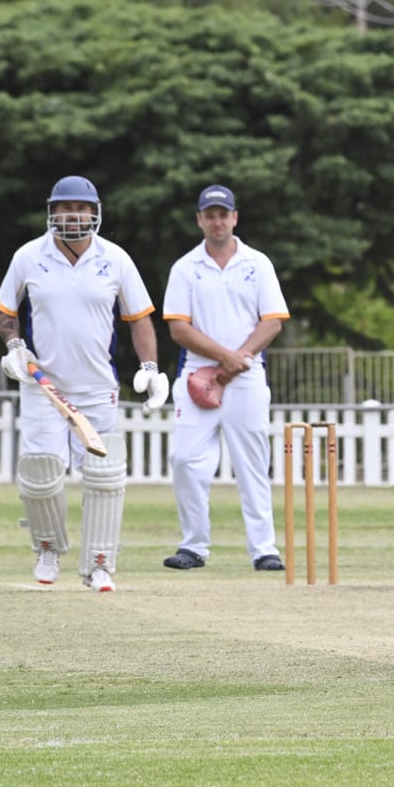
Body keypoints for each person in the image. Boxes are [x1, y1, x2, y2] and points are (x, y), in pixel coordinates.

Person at [0, 175, 169, 592]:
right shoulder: (28, 257)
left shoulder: (117, 259)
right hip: (43, 385)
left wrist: (150, 367)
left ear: (94, 212)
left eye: (81, 207)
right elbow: (4, 310)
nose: (73, 214)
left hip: (96, 388)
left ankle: (100, 564)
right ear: (52, 213)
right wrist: (15, 345)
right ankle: (48, 549)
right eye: (64, 208)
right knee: (39, 475)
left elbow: (139, 316)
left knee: (105, 475)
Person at [161, 184, 291, 573]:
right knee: (185, 460)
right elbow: (178, 329)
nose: (217, 221)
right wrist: (225, 359)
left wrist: (240, 360)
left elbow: (273, 321)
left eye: (224, 214)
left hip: (246, 377)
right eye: (210, 214)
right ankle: (194, 546)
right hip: (197, 373)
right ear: (200, 219)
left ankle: (264, 549)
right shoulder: (185, 268)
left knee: (252, 461)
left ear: (234, 218)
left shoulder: (258, 263)